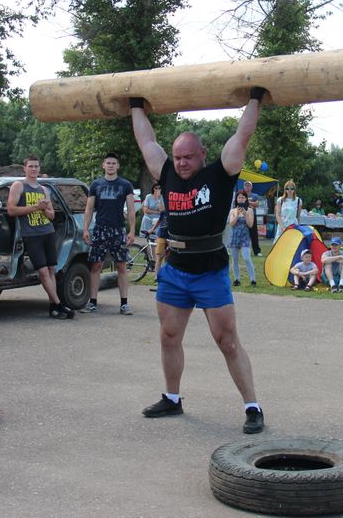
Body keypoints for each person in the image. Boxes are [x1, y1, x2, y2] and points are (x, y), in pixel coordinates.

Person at [131, 86, 266, 434]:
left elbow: (243, 134)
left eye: (187, 157)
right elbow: (147, 142)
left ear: (201, 154)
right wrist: (135, 104)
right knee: (168, 336)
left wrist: (254, 97)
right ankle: (172, 398)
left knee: (227, 340)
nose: (181, 163)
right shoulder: (168, 174)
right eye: (177, 157)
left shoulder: (221, 173)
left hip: (210, 270)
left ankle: (252, 406)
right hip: (175, 269)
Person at [7, 155, 74, 319]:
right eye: (30, 166)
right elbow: (11, 210)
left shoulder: (43, 189)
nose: (34, 169)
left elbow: (51, 215)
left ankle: (54, 307)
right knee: (42, 272)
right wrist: (35, 207)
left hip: (47, 232)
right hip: (31, 234)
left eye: (36, 166)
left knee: (51, 270)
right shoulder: (18, 186)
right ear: (25, 168)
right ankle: (58, 305)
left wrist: (44, 209)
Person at [81, 152, 135, 315]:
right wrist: (85, 228)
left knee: (121, 266)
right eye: (108, 163)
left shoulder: (125, 185)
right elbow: (89, 208)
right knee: (96, 265)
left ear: (118, 166)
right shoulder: (96, 184)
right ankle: (92, 302)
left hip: (118, 229)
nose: (111, 165)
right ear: (103, 165)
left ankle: (124, 304)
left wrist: (132, 230)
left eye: (114, 163)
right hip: (100, 230)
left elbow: (131, 209)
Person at [227, 190, 256, 287]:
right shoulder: (233, 210)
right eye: (239, 197)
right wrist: (236, 214)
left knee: (247, 258)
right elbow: (231, 223)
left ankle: (253, 280)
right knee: (234, 259)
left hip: (245, 236)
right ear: (236, 199)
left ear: (246, 199)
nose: (241, 199)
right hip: (234, 236)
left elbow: (250, 225)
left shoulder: (250, 210)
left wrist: (245, 214)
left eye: (243, 197)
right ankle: (237, 279)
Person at [242, 181, 262, 257]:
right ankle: (244, 252)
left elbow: (256, 204)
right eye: (246, 185)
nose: (247, 187)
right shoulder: (241, 195)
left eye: (249, 185)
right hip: (242, 216)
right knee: (243, 234)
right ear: (244, 187)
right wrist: (251, 203)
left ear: (251, 187)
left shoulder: (255, 195)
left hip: (252, 216)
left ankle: (257, 251)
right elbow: (239, 203)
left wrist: (247, 202)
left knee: (254, 234)